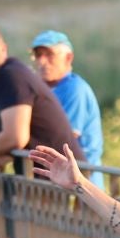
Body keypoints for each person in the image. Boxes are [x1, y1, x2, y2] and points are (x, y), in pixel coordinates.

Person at [0, 23, 78, 174]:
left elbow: (15, 137)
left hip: (64, 179)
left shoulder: (13, 76)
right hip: (28, 177)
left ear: (3, 50)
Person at [30, 29, 105, 188]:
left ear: (68, 58)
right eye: (38, 55)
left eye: (49, 55)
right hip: (60, 178)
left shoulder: (74, 89)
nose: (42, 62)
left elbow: (64, 137)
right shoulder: (45, 89)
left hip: (83, 180)